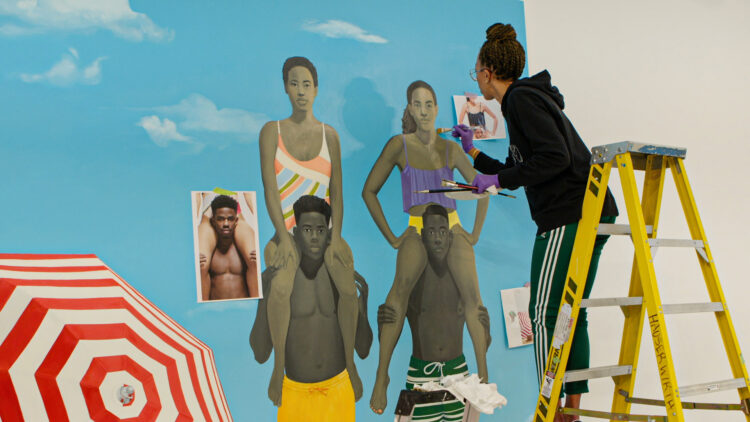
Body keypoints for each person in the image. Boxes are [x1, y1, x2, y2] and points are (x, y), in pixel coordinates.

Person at [454, 22, 619, 422]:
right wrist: (473, 154)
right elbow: (518, 166)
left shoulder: (520, 100)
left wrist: (498, 181)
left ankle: (552, 406)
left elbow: (554, 158)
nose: (477, 79)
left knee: (544, 310)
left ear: (487, 73)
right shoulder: (528, 99)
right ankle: (571, 412)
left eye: (476, 72)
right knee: (570, 310)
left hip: (568, 213)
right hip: (592, 211)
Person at [362, 80, 489, 414]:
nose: (423, 110)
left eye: (429, 104)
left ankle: (483, 378)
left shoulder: (450, 149)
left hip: (452, 226)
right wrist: (393, 237)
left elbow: (483, 188)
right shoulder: (399, 145)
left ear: (436, 108)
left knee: (473, 299)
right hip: (417, 228)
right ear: (409, 109)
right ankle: (381, 376)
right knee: (397, 295)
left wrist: (473, 233)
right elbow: (368, 191)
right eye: (417, 104)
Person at [258, 56, 360, 406]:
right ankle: (278, 370)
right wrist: (283, 236)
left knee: (348, 290)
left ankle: (350, 364)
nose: (300, 91)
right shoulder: (271, 132)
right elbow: (270, 190)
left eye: (306, 84)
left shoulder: (330, 136)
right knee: (281, 287)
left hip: (323, 231)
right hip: (286, 231)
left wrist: (337, 236)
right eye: (294, 83)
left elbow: (338, 192)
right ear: (285, 88)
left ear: (316, 89)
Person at [250, 195, 372, 422]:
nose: (314, 237)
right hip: (294, 393)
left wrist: (362, 308)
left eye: (320, 230)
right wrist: (263, 296)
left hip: (338, 390)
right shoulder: (282, 282)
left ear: (329, 234)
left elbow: (363, 349)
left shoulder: (339, 279)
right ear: (296, 234)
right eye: (307, 230)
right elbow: (260, 353)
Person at [377, 205, 491, 421]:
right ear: (423, 236)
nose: (437, 239)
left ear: (449, 235)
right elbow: (394, 314)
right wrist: (381, 378)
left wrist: (483, 375)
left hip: (458, 373)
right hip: (421, 375)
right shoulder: (412, 277)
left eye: (442, 231)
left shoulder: (462, 276)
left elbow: (476, 316)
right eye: (431, 232)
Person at [197, 192, 259, 299]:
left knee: (254, 258)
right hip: (208, 211)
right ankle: (203, 305)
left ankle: (258, 303)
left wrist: (260, 222)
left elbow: (248, 193)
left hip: (233, 208)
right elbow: (195, 197)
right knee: (201, 264)